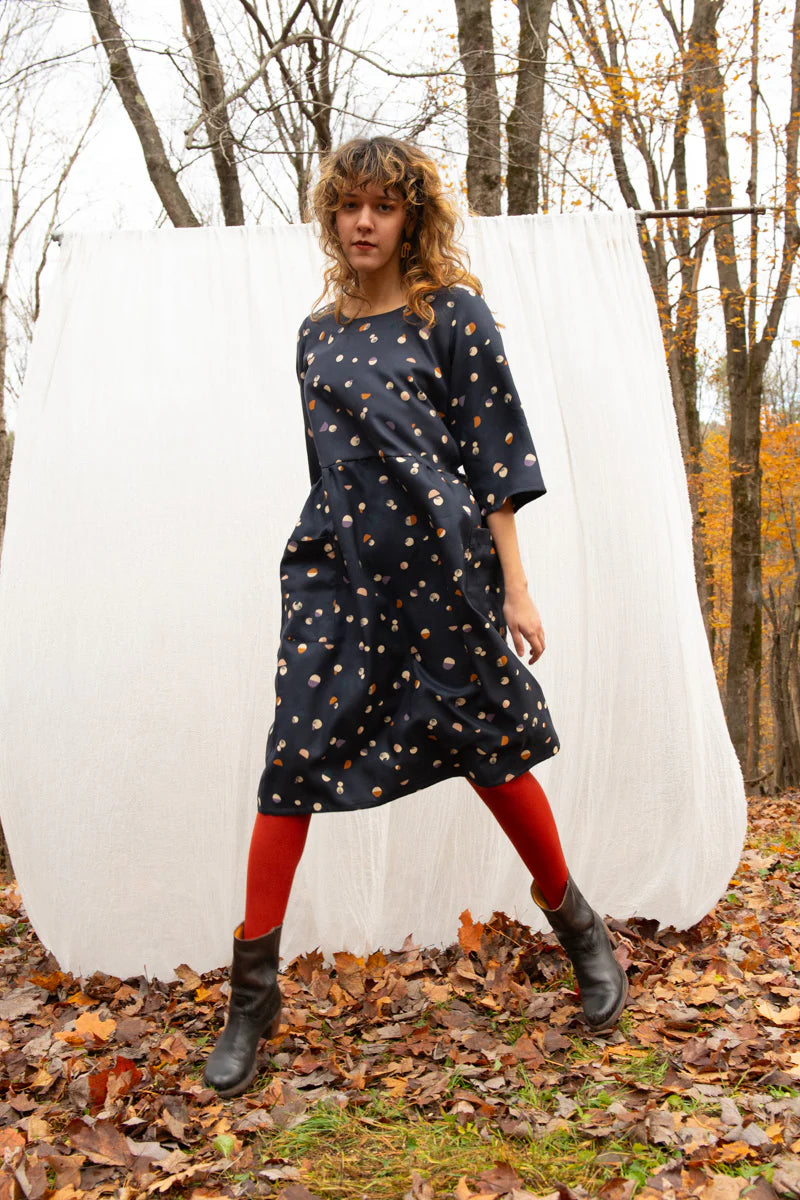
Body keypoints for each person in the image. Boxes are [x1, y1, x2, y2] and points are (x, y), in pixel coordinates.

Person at [203, 136, 628, 1098]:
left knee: (491, 749)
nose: (364, 222)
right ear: (332, 214)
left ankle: (581, 929)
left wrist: (515, 586)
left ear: (411, 218)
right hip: (337, 570)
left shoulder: (453, 316)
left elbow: (495, 462)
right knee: (292, 762)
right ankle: (252, 999)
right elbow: (328, 465)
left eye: (383, 206)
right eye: (349, 205)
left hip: (442, 568)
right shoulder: (315, 336)